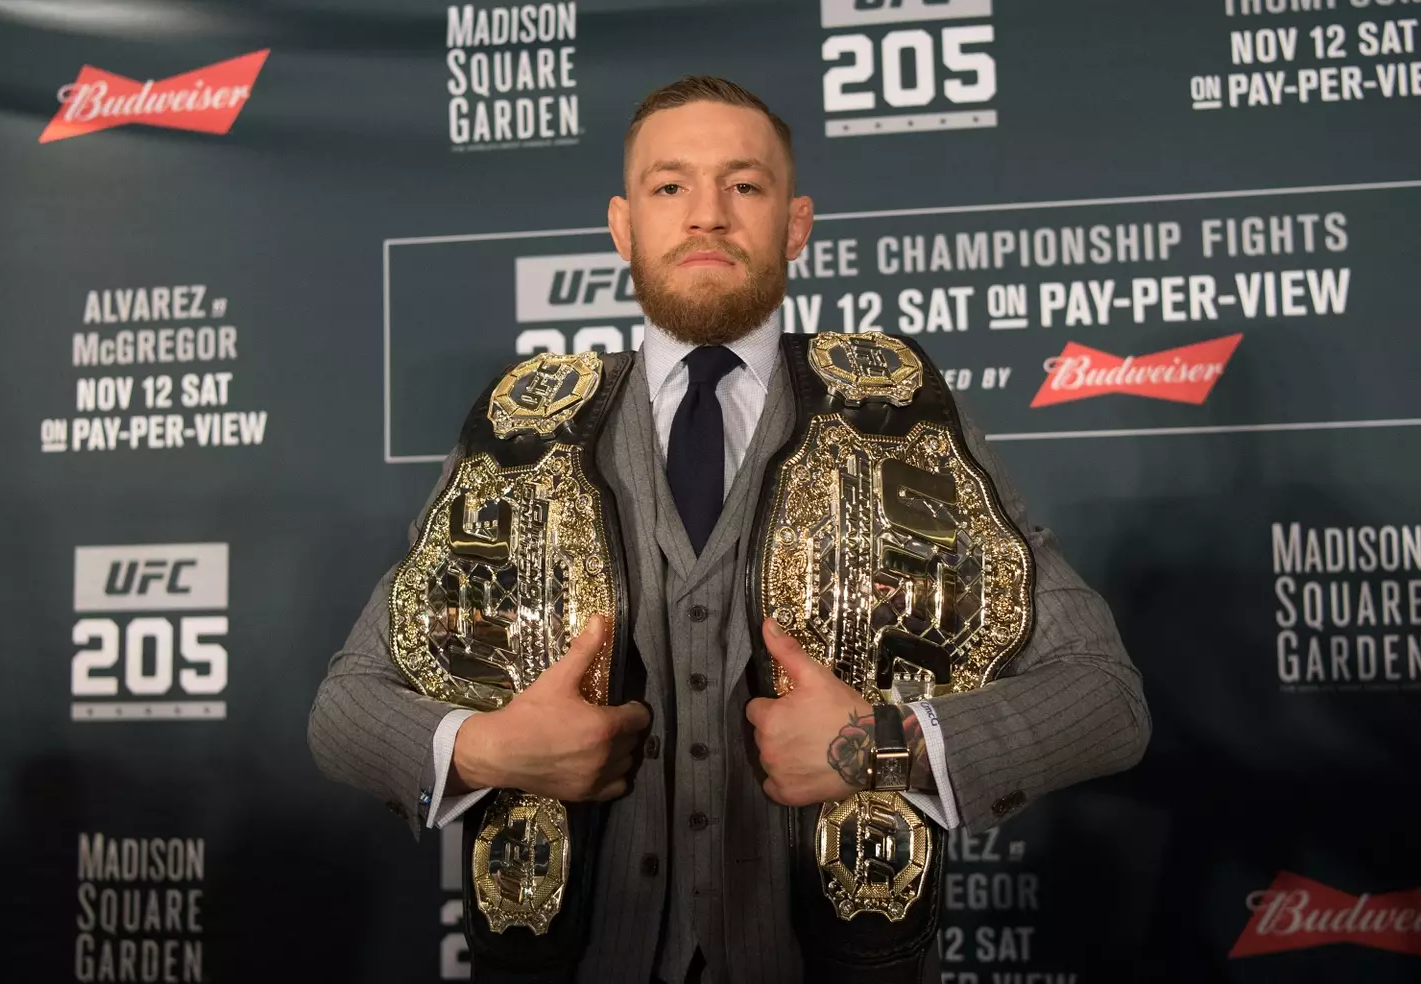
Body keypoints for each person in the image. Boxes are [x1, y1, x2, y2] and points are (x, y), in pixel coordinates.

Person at [308, 75, 1150, 984]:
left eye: (744, 186)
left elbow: (1106, 699)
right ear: (625, 227)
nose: (707, 215)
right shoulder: (523, 429)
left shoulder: (902, 418)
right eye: (671, 187)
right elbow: (346, 707)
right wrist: (483, 750)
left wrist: (883, 746)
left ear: (795, 224)